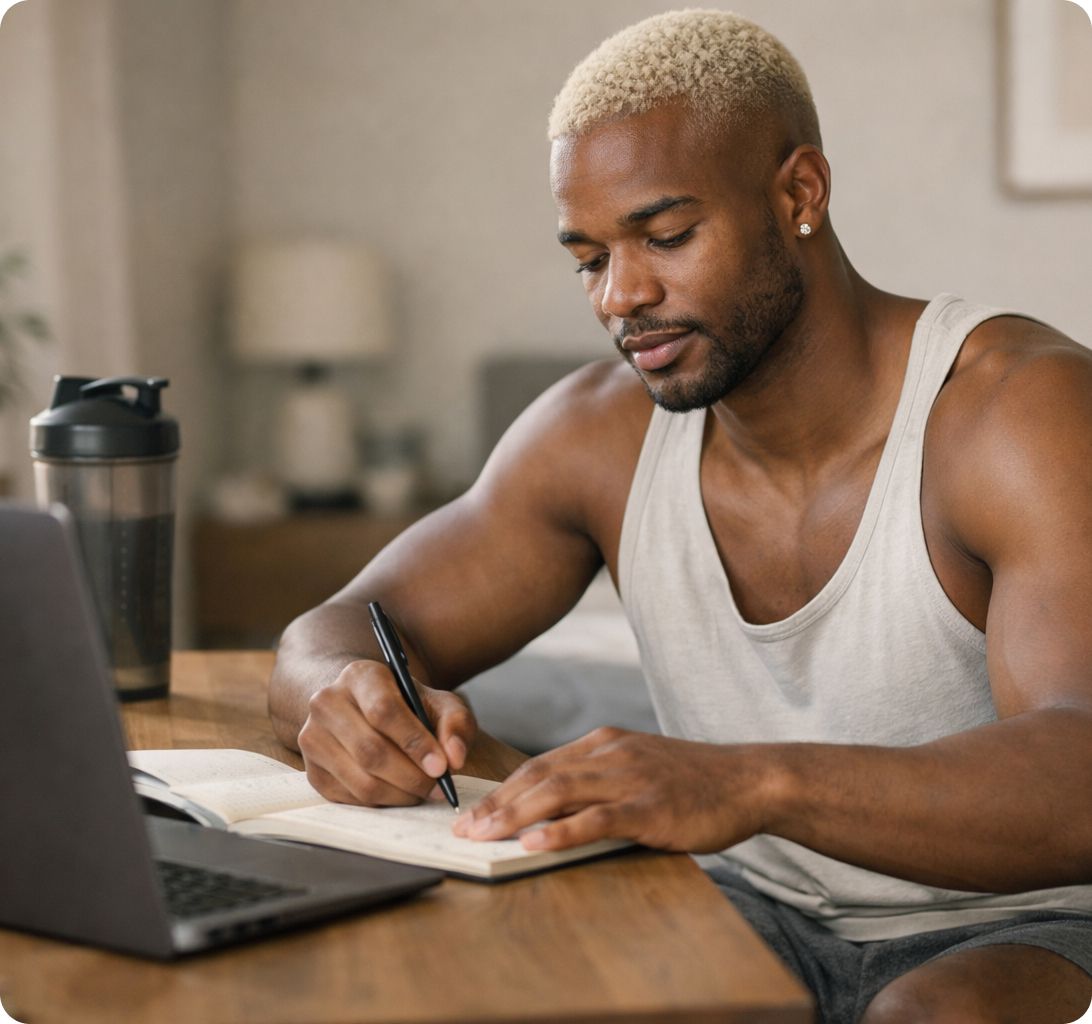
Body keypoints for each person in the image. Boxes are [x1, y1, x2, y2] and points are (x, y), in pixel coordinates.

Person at [268, 9, 1092, 1021]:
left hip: (1034, 919)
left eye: (666, 235)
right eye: (588, 258)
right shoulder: (594, 435)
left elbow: (1080, 768)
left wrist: (749, 783)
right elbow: (345, 624)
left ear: (799, 193)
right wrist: (340, 696)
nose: (623, 295)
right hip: (750, 905)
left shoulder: (1019, 409)